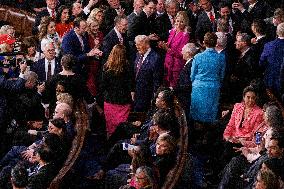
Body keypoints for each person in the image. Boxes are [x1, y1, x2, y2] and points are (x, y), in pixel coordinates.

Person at [190, 32, 225, 123]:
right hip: (214, 86)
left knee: (197, 115)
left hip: (198, 87)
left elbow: (192, 75)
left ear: (203, 43)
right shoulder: (221, 57)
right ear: (216, 43)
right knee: (211, 115)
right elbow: (222, 75)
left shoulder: (197, 57)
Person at [102, 44, 135, 137]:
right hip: (124, 101)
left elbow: (103, 85)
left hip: (110, 101)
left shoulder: (106, 67)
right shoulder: (128, 67)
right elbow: (131, 84)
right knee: (122, 127)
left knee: (110, 127)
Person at [158, 11, 190, 88]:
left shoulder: (186, 36)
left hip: (177, 66)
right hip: (167, 64)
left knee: (174, 88)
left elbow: (181, 54)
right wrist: (163, 45)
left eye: (182, 22)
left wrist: (167, 49)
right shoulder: (173, 31)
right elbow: (170, 45)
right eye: (177, 21)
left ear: (185, 23)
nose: (179, 24)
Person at [134, 35, 162, 112]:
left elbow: (157, 80)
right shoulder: (138, 54)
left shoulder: (155, 58)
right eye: (136, 44)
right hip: (137, 93)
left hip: (147, 95)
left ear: (147, 45)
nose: (137, 47)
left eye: (139, 44)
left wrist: (154, 97)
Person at [260, 23, 284, 100]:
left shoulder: (269, 45)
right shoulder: (268, 45)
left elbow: (262, 62)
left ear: (277, 32)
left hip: (271, 81)